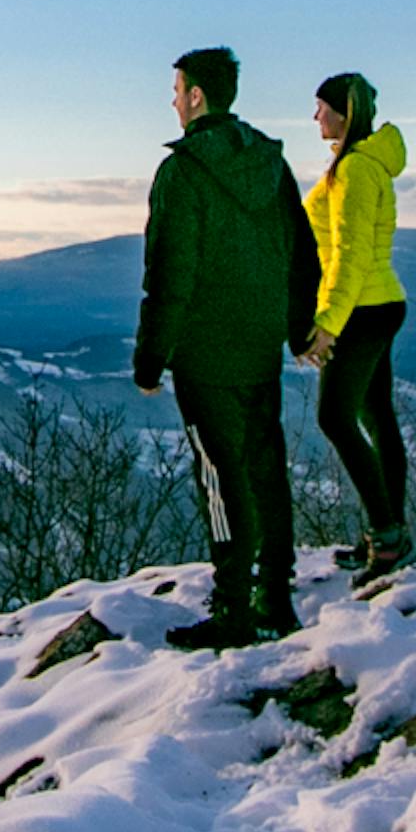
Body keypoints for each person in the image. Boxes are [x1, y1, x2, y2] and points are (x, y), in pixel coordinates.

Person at [133, 45, 321, 649]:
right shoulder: (270, 162)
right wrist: (297, 330)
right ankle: (277, 595)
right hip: (261, 345)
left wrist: (150, 357)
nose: (172, 100)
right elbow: (303, 253)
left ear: (195, 96)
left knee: (220, 477)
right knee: (267, 469)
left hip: (205, 354)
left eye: (177, 89)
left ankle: (234, 608)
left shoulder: (182, 170)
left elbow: (170, 273)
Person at [301, 71, 412, 579]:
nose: (315, 116)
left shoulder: (356, 172)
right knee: (376, 420)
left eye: (321, 106)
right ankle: (389, 533)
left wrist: (327, 323)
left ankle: (387, 539)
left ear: (343, 111)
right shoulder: (352, 166)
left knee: (335, 418)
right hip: (375, 304)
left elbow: (351, 256)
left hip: (362, 311)